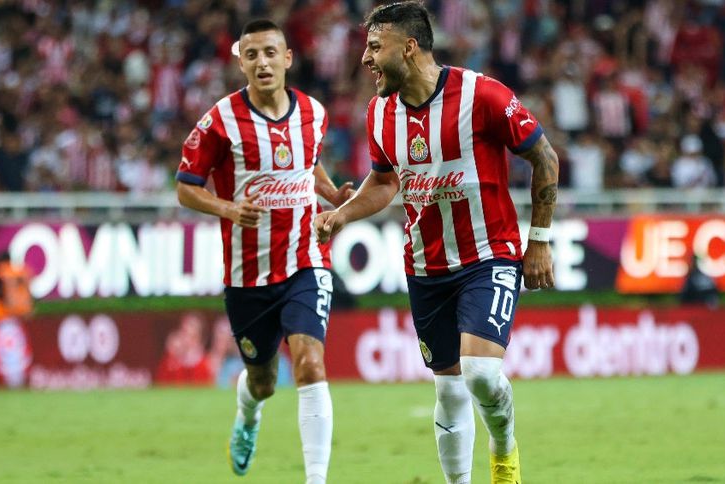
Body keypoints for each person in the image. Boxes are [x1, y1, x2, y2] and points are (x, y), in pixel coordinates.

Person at [315, 3, 559, 483]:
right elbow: (384, 181)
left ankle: (504, 450)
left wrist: (539, 241)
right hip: (426, 267)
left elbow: (545, 157)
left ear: (409, 47)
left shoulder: (482, 95)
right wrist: (342, 214)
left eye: (375, 47)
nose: (365, 58)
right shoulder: (379, 113)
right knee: (448, 390)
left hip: (488, 256)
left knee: (481, 374)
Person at [175, 18, 353, 483]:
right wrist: (229, 209)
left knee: (310, 363)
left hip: (306, 260)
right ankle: (248, 417)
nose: (262, 63)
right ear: (241, 63)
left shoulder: (313, 112)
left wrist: (330, 193)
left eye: (271, 53)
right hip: (248, 275)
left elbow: (309, 162)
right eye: (252, 55)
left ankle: (316, 479)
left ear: (287, 58)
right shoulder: (220, 121)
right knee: (263, 382)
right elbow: (186, 187)